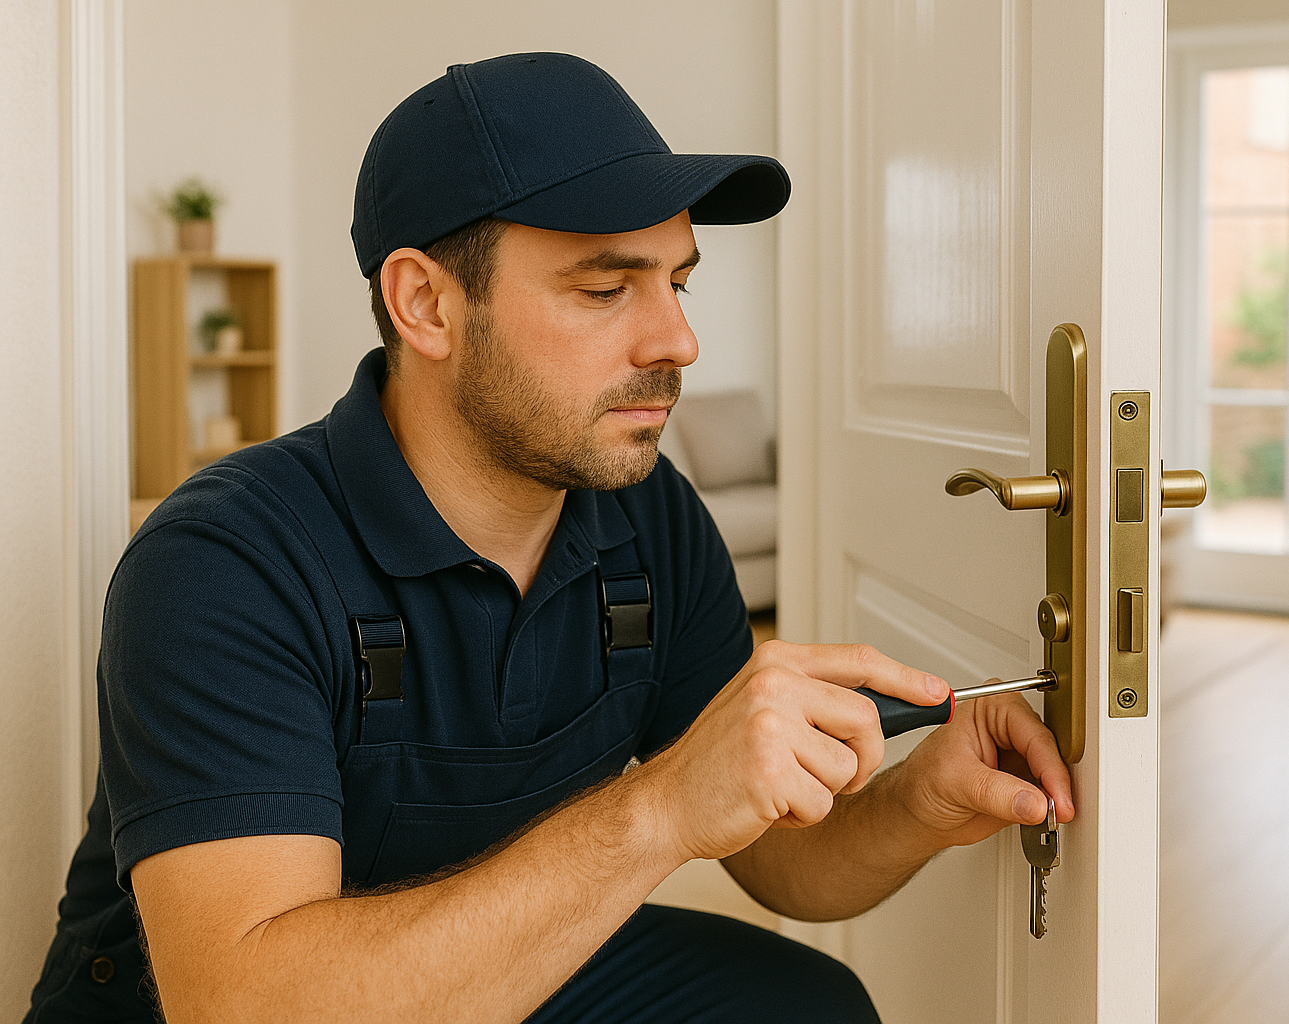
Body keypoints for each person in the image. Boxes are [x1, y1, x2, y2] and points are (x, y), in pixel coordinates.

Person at [26, 52, 1074, 1024]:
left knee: (807, 1005)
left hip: (514, 956)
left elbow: (781, 864)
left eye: (679, 281)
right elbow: (245, 1001)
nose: (679, 340)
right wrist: (657, 807)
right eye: (606, 288)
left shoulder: (647, 515)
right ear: (426, 303)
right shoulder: (224, 563)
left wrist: (919, 804)